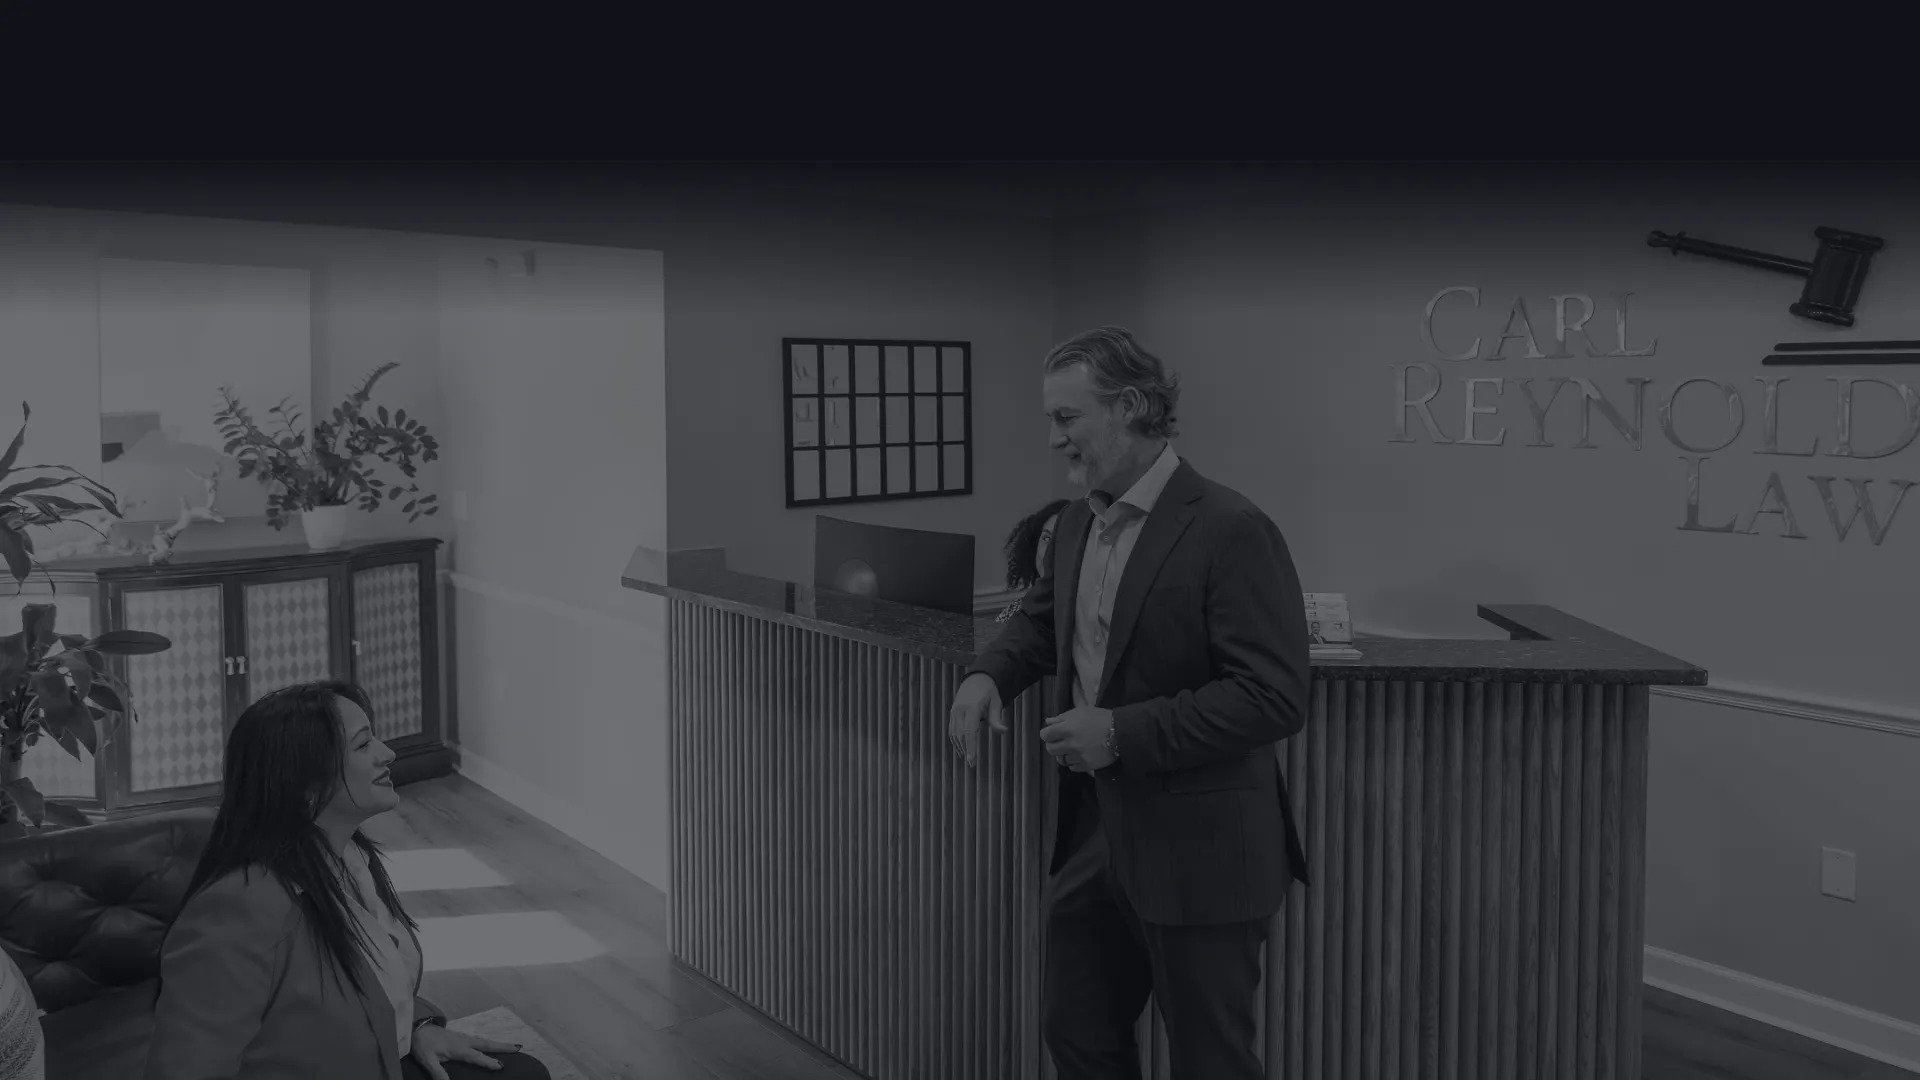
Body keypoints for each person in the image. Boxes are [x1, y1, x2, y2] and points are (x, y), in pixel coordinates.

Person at [947, 327, 1312, 1079]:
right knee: (1077, 1037)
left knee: (1211, 1060)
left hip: (1203, 853)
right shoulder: (1079, 519)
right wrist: (988, 673)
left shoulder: (1232, 528)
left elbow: (1271, 696)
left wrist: (1119, 731)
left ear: (1132, 408)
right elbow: (1044, 622)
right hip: (1091, 838)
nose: (1054, 440)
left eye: (1067, 418)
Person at [142, 680, 550, 1080]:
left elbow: (370, 982)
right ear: (305, 784)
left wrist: (420, 1028)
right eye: (362, 744)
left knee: (524, 1074)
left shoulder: (349, 858)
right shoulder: (238, 914)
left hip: (378, 1062)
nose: (387, 753)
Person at [997, 497, 1072, 623]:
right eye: (1046, 539)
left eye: (1062, 541)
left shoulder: (1085, 618)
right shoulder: (1017, 611)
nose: (1049, 552)